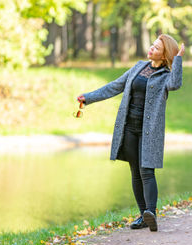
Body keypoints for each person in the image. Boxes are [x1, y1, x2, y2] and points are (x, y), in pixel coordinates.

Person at [77, 34, 184, 232]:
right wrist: (88, 98)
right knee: (135, 171)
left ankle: (151, 213)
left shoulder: (166, 75)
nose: (151, 48)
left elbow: (175, 84)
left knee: (146, 170)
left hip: (149, 131)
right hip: (129, 127)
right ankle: (143, 215)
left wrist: (178, 60)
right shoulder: (138, 67)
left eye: (156, 47)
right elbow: (115, 86)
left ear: (164, 54)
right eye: (152, 45)